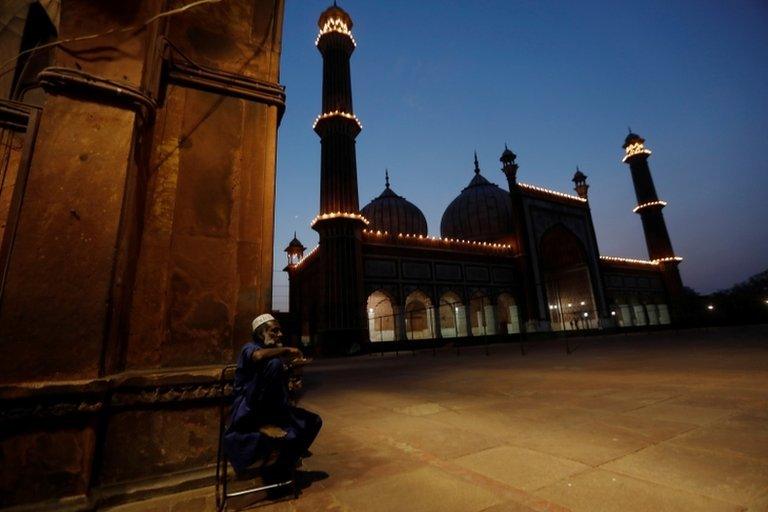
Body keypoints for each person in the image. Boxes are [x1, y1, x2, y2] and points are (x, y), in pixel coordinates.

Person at [223, 314, 322, 481]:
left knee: (314, 421)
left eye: (279, 331)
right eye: (274, 331)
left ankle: (281, 466)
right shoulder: (250, 347)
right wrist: (287, 350)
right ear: (261, 333)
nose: (280, 334)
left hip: (275, 408)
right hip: (249, 410)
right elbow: (258, 357)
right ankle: (262, 424)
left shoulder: (271, 354)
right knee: (274, 364)